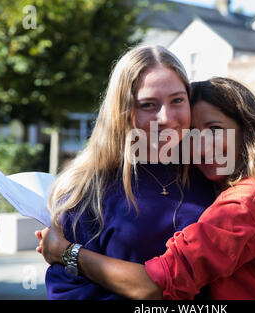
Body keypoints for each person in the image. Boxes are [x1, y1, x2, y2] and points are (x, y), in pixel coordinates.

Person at [37, 77, 255, 300]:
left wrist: (65, 252)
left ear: (249, 129)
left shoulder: (243, 204)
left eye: (215, 130)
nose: (202, 147)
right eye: (192, 136)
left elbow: (155, 285)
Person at [41, 45, 216, 299]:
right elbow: (67, 291)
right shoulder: (87, 189)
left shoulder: (211, 174)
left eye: (177, 100)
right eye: (148, 105)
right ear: (122, 111)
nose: (166, 117)